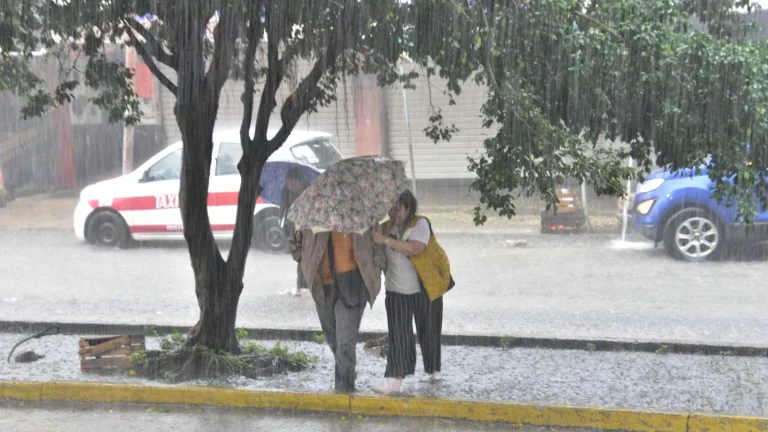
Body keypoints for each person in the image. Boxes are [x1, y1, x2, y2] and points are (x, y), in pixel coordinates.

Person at [372, 190, 451, 395]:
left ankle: (434, 369)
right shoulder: (385, 228)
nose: (394, 213)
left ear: (409, 208)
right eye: (391, 208)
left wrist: (385, 241)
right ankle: (394, 382)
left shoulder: (420, 224)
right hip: (396, 292)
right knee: (399, 336)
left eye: (398, 208)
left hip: (425, 289)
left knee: (429, 331)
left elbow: (416, 248)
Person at [290, 227, 385, 393]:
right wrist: (305, 260)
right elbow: (294, 244)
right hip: (322, 286)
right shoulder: (313, 217)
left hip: (353, 283)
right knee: (333, 340)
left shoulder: (359, 216)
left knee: (345, 343)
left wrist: (375, 268)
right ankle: (347, 374)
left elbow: (379, 246)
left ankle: (343, 391)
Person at [281, 168, 310, 296]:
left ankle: (304, 286)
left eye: (291, 183)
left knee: (307, 256)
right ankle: (301, 286)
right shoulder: (286, 191)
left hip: (309, 228)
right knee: (301, 256)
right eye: (288, 183)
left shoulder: (310, 190)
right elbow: (284, 209)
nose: (289, 186)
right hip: (295, 228)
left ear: (299, 181)